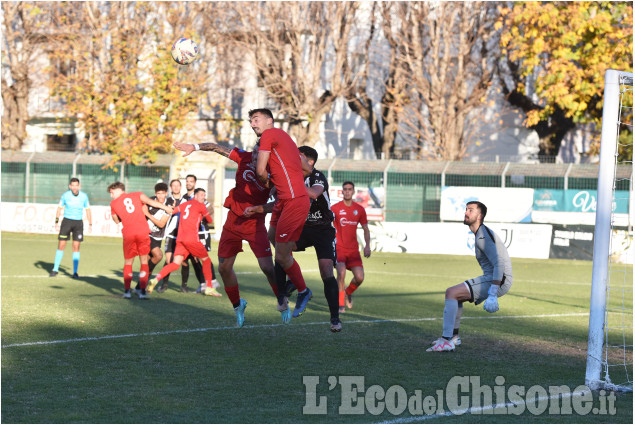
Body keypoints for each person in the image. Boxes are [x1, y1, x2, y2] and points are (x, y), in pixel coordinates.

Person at [173, 140, 278, 328]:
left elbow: (279, 204)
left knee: (268, 268)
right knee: (223, 268)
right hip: (233, 222)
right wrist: (194, 147)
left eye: (259, 154)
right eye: (254, 152)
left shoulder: (274, 173)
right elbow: (215, 147)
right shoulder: (244, 157)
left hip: (255, 225)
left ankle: (282, 301)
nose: (255, 157)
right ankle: (238, 306)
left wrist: (258, 209)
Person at [427, 201, 513, 352]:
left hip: (499, 279)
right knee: (457, 296)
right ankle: (453, 337)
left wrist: (493, 293)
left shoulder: (483, 236)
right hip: (497, 278)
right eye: (466, 209)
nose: (466, 212)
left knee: (451, 293)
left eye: (471, 210)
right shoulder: (480, 233)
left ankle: (446, 340)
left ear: (480, 216)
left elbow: (499, 263)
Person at [272, 146, 342, 332]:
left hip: (323, 230)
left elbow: (314, 193)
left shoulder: (317, 176)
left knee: (326, 270)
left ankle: (335, 318)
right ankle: (284, 292)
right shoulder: (291, 175)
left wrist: (294, 183)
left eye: (299, 156)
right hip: (301, 227)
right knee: (281, 253)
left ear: (309, 162)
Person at [253, 108, 312, 323]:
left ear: (269, 121)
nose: (253, 124)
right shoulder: (286, 138)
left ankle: (303, 290)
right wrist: (284, 183)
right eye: (251, 121)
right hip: (285, 201)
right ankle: (291, 279)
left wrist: (271, 184)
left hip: (294, 201)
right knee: (272, 238)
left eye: (256, 119)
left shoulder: (268, 136)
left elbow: (260, 171)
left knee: (281, 256)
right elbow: (306, 169)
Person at [108, 182, 173, 299]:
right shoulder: (138, 194)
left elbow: (116, 220)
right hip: (143, 231)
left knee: (128, 263)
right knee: (144, 261)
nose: (111, 196)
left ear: (118, 190)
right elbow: (152, 203)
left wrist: (122, 215)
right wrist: (166, 208)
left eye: (112, 193)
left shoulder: (113, 203)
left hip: (129, 233)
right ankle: (142, 292)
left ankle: (127, 292)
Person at [148, 188, 216, 296]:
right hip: (192, 239)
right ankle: (209, 288)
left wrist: (169, 208)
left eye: (204, 195)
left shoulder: (185, 204)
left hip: (180, 239)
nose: (204, 197)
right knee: (206, 261)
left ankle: (156, 279)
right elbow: (210, 220)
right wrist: (203, 214)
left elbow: (173, 211)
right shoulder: (201, 206)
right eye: (202, 195)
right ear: (196, 196)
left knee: (175, 264)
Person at [332, 181, 371, 313]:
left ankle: (348, 292)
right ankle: (340, 304)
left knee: (360, 277)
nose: (347, 191)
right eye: (345, 189)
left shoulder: (359, 209)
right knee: (341, 273)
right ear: (342, 191)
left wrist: (367, 246)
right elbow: (326, 226)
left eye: (350, 189)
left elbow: (366, 229)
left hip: (354, 250)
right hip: (339, 248)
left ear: (353, 192)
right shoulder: (335, 208)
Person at [184, 174, 222, 297]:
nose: (189, 183)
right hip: (191, 234)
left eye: (191, 181)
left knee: (202, 257)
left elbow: (210, 211)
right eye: (187, 181)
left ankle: (213, 282)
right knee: (194, 258)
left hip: (202, 233)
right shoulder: (188, 200)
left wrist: (202, 215)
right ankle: (203, 283)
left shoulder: (202, 201)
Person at [50, 178, 92, 278]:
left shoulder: (84, 196)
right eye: (72, 185)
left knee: (76, 247)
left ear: (79, 186)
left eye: (76, 185)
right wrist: (56, 222)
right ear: (70, 186)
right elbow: (59, 208)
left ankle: (75, 272)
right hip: (67, 222)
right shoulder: (65, 195)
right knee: (61, 245)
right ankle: (55, 269)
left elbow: (88, 210)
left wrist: (90, 224)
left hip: (78, 223)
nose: (74, 187)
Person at [155, 179, 188, 293]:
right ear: (170, 188)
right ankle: (164, 285)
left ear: (181, 187)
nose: (175, 187)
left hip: (183, 235)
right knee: (169, 260)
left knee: (184, 261)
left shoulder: (186, 200)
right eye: (173, 185)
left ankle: (184, 286)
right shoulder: (167, 200)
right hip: (170, 234)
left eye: (177, 185)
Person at [142, 182, 170, 280]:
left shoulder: (168, 205)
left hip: (158, 237)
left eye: (162, 193)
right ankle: (142, 283)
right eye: (158, 193)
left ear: (166, 193)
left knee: (148, 262)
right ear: (155, 194)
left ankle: (140, 286)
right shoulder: (149, 201)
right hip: (146, 235)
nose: (160, 196)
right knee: (158, 255)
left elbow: (161, 224)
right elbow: (142, 212)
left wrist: (147, 214)